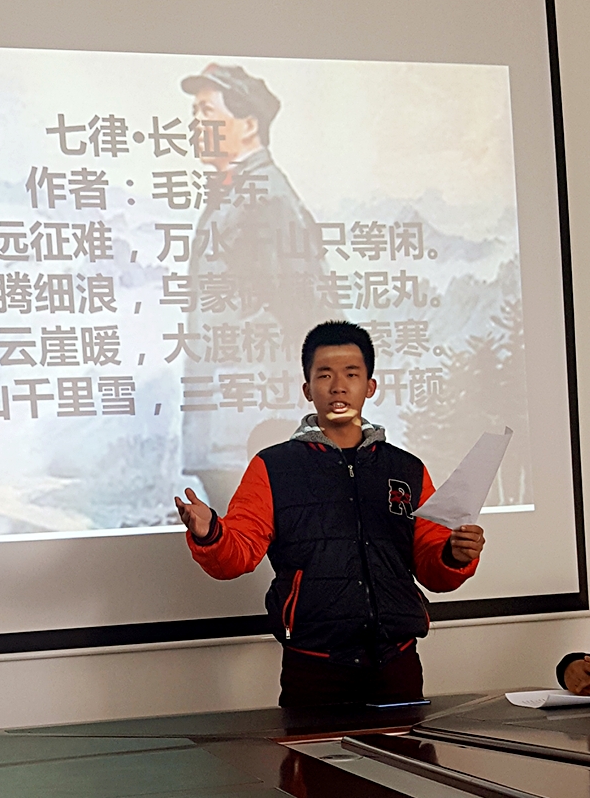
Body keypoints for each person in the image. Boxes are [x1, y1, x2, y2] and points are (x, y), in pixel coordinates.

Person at [175, 320, 485, 708]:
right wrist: (209, 533)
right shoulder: (273, 467)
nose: (338, 386)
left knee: (405, 751)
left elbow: (431, 565)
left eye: (351, 374)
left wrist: (454, 555)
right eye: (325, 375)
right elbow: (238, 554)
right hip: (314, 670)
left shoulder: (406, 469)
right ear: (308, 389)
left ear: (370, 386)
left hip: (397, 664)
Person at [179, 63, 330, 512]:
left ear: (248, 124)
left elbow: (311, 313)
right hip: (229, 429)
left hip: (255, 429)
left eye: (207, 112)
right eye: (194, 113)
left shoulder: (268, 199)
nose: (195, 124)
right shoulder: (234, 192)